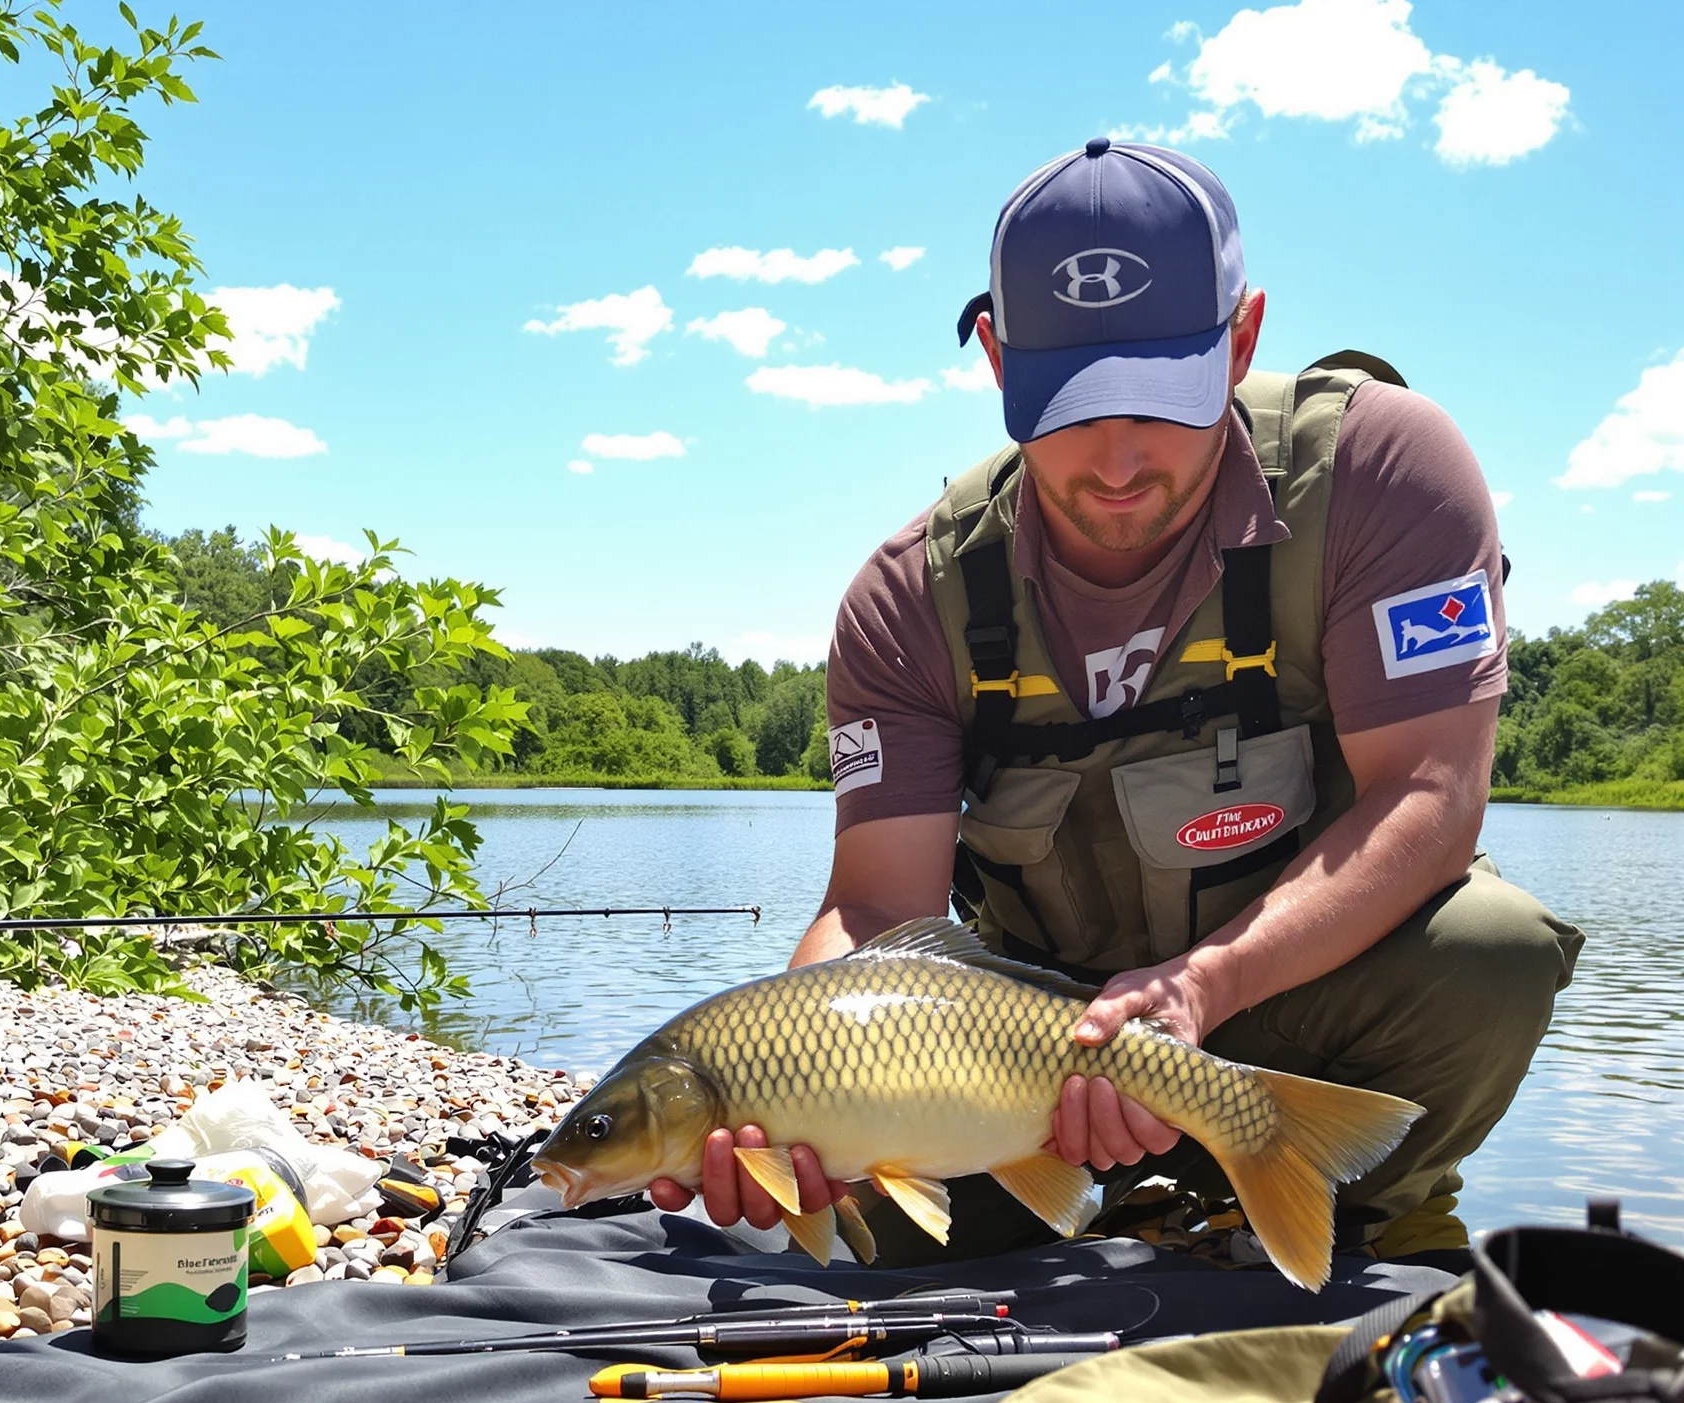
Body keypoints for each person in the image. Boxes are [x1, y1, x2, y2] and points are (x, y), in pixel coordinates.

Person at [654, 137, 1582, 1267]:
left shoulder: (1381, 471)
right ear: (996, 359)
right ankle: (1131, 1208)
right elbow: (871, 912)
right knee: (864, 1241)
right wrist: (788, 1105)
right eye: (1067, 406)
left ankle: (1358, 1213)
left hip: (1284, 994)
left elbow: (1430, 795)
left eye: (1164, 401)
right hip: (1018, 1060)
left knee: (1488, 947)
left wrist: (1203, 987)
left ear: (1240, 337)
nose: (1115, 463)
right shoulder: (909, 595)